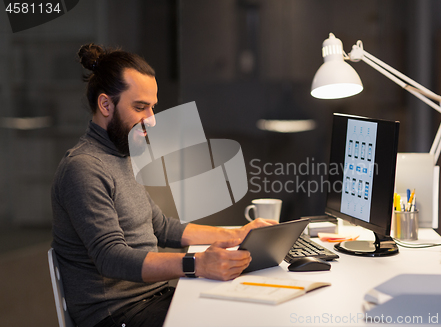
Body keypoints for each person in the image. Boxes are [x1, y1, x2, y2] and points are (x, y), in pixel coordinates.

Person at [51, 43, 277, 327]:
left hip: (153, 298)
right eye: (140, 107)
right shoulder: (83, 168)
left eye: (153, 107)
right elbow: (111, 258)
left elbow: (161, 227)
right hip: (119, 314)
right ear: (106, 104)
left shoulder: (120, 156)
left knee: (249, 308)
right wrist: (196, 265)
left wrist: (235, 236)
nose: (152, 120)